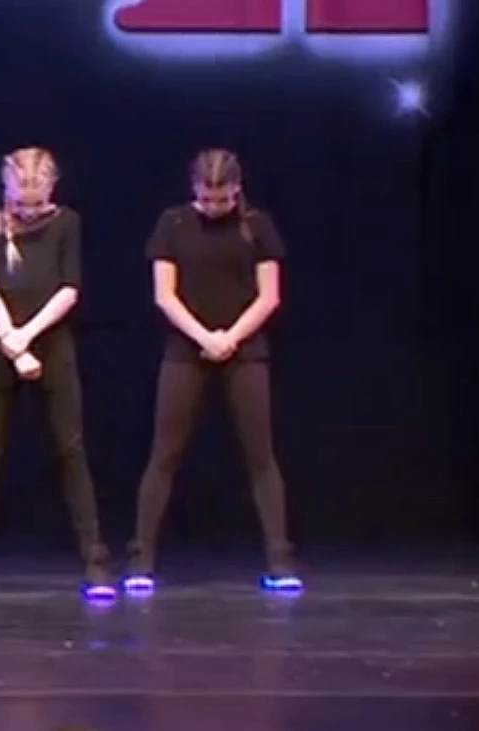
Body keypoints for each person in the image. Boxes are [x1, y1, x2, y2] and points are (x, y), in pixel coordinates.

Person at [123, 149, 300, 592]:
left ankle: (280, 561)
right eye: (206, 197)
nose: (214, 206)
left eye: (222, 199)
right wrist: (204, 337)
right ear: (194, 188)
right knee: (164, 454)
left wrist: (230, 338)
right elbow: (165, 294)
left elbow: (269, 296)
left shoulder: (257, 225)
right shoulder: (173, 223)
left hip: (245, 349)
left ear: (237, 189)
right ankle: (141, 560)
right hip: (186, 349)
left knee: (261, 456)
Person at [0, 147, 114, 602]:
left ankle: (95, 560)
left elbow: (69, 288)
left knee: (70, 450)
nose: (29, 208)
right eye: (21, 199)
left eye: (37, 199)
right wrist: (11, 340)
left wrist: (27, 336)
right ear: (7, 189)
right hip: (1, 343)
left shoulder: (66, 223)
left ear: (52, 188)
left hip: (51, 342)